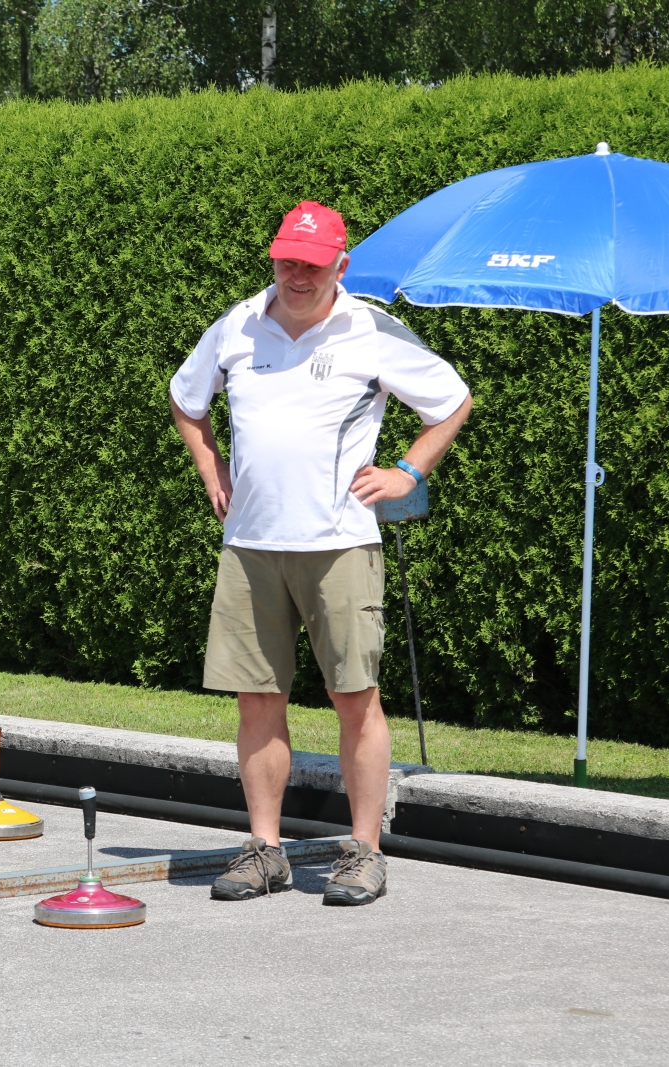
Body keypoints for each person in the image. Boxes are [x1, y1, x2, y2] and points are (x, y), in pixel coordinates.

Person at [169, 201, 472, 907]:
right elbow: (186, 400)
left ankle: (365, 852)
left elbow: (452, 400)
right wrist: (211, 469)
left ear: (342, 265)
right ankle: (265, 850)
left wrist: (408, 472)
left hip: (340, 544)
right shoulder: (239, 323)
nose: (297, 275)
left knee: (354, 699)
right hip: (250, 544)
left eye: (311, 264)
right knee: (256, 701)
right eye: (286, 260)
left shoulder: (371, 329)